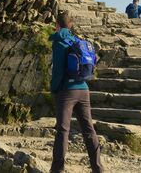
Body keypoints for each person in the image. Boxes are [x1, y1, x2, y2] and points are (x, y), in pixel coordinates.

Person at [49, 12, 104, 173]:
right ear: (71, 25)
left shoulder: (59, 42)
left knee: (62, 130)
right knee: (89, 130)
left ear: (57, 25)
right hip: (84, 89)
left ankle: (57, 169)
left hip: (67, 92)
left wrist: (54, 88)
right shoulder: (77, 40)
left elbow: (58, 71)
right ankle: (98, 168)